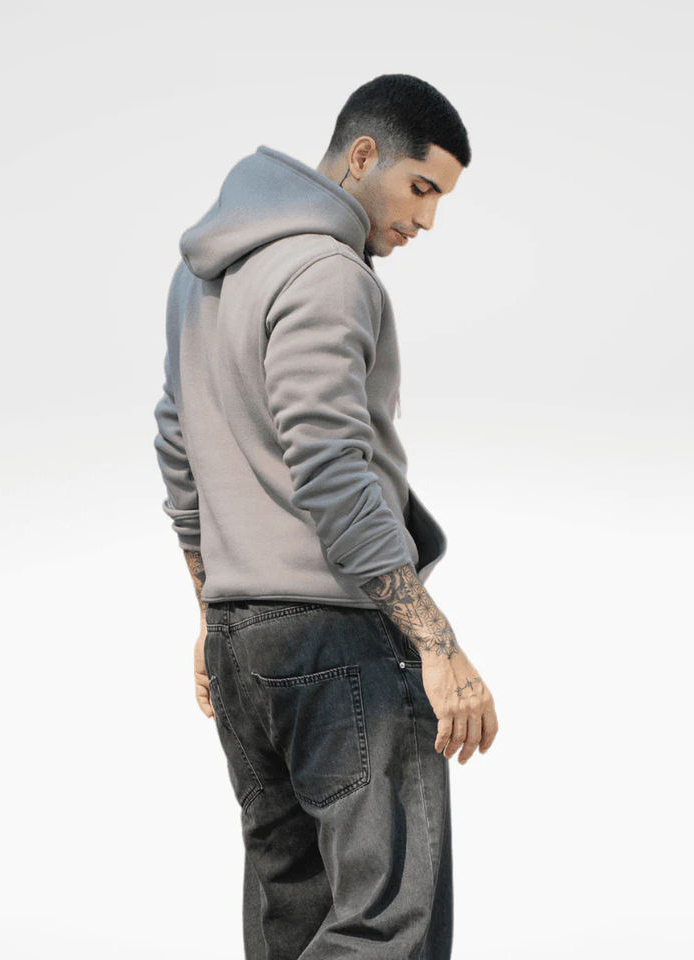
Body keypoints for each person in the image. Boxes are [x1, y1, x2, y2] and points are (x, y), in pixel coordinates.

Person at [153, 73, 499, 959]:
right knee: (387, 926)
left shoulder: (199, 278)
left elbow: (177, 449)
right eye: (420, 188)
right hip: (338, 642)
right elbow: (333, 470)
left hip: (243, 648)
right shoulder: (328, 273)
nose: (426, 220)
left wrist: (212, 611)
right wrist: (437, 643)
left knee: (291, 920)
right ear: (361, 155)